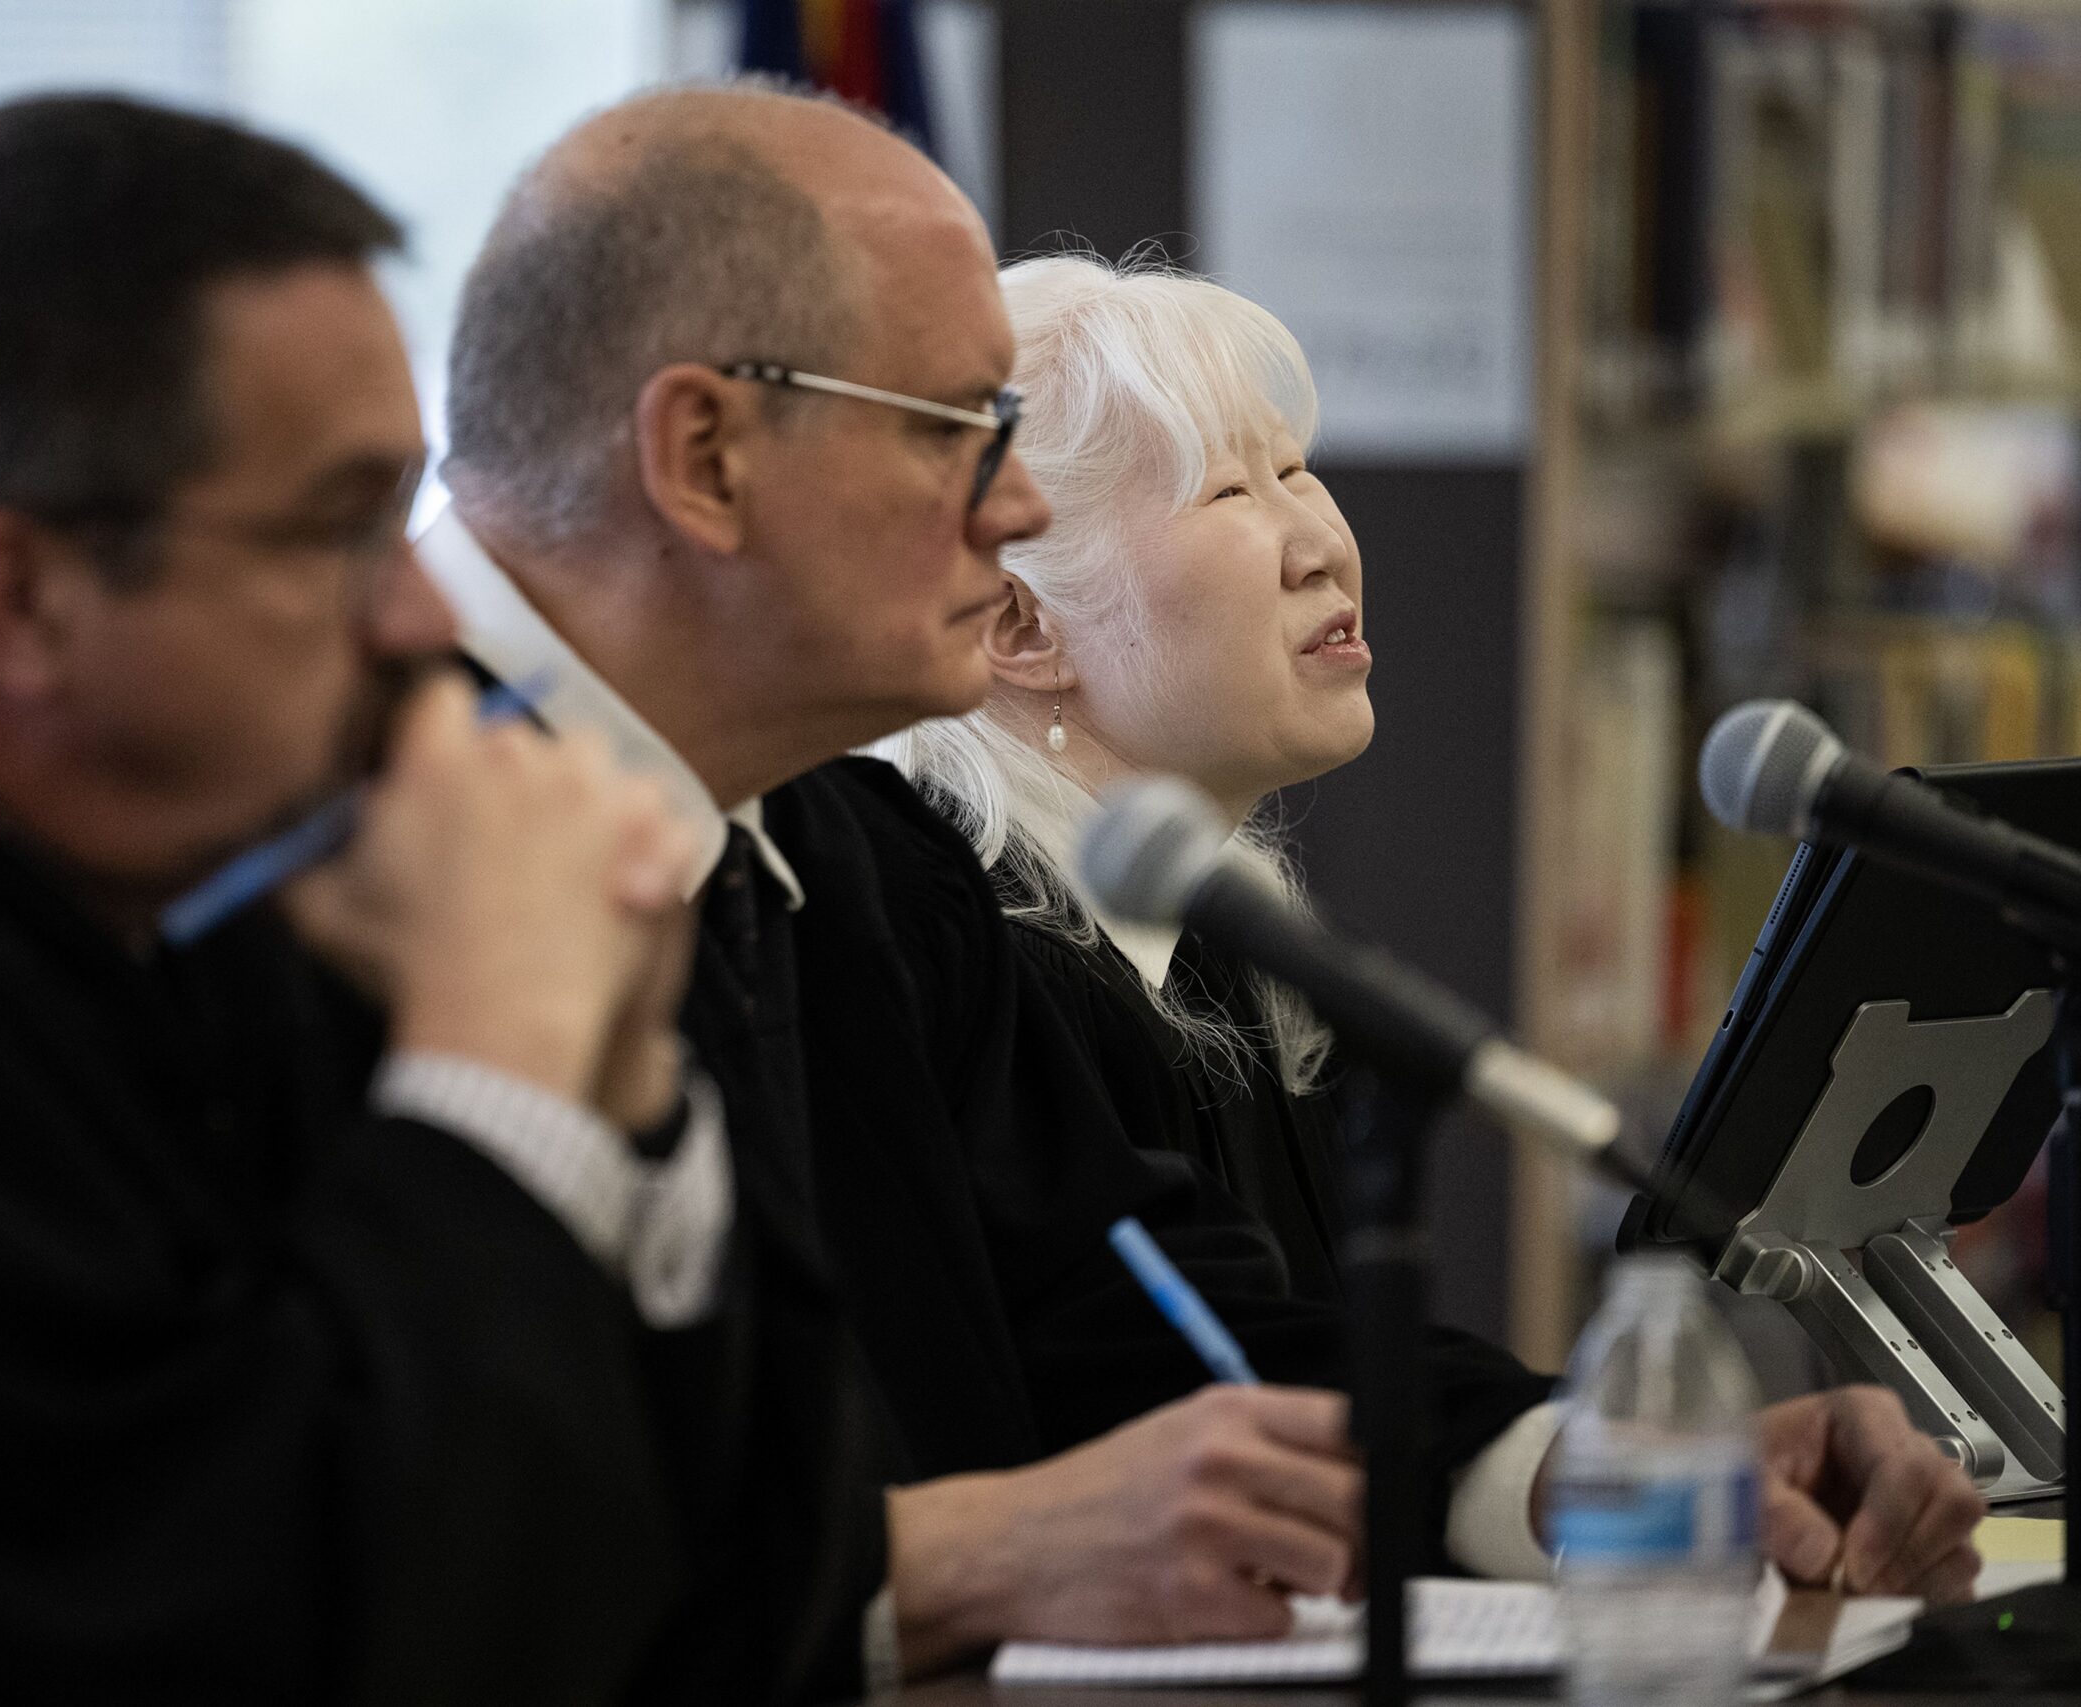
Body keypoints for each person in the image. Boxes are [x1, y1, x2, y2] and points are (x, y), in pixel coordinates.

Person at [434, 79, 1989, 1682]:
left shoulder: (807, 848)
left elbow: (1133, 1320)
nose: (1017, 501)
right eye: (959, 431)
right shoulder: (370, 846)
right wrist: (953, 1555)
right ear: (705, 455)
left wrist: (1598, 1473)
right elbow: (376, 1529)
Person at [0, 96, 889, 1704]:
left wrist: (622, 1077)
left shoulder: (227, 859)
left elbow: (743, 1613)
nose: (412, 613)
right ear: (20, 597)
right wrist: (501, 1062)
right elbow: (232, 1638)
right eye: (339, 528)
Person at [878, 251, 1989, 1599]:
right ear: (1019, 624)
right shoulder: (948, 938)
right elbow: (1197, 1361)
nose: (1319, 539)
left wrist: (1623, 1465)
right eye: (1232, 490)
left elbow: (1317, 1351)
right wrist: (1603, 1470)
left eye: (1298, 468)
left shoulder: (1227, 961)